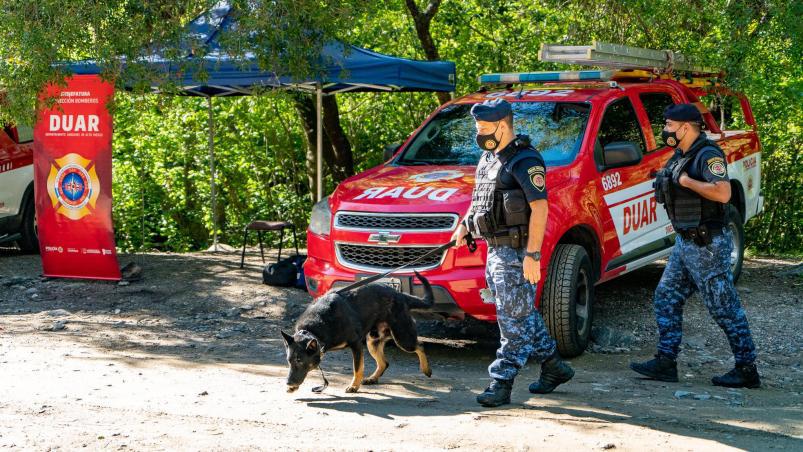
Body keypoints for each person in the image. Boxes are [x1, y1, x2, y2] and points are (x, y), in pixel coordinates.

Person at [450, 98, 574, 407]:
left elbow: (540, 208)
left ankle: (501, 381)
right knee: (520, 312)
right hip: (494, 251)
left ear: (503, 126)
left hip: (517, 253)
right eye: (477, 127)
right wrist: (464, 225)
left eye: (484, 127)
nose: (478, 133)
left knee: (511, 318)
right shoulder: (489, 158)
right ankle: (554, 367)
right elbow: (481, 199)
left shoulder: (524, 159)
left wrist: (533, 255)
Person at [631, 103, 760, 388]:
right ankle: (666, 361)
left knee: (723, 306)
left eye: (669, 126)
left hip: (707, 244)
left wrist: (688, 181)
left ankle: (747, 368)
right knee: (666, 296)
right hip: (685, 244)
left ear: (685, 127)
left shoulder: (707, 155)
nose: (665, 130)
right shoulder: (682, 154)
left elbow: (723, 193)